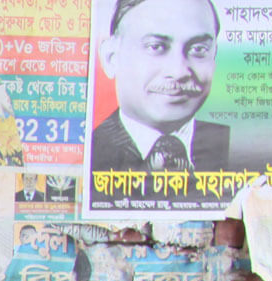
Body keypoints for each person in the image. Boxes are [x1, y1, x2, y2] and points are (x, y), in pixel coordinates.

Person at [90, 0, 226, 171]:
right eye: (155, 47)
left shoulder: (242, 148)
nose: (178, 72)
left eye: (198, 49)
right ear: (111, 58)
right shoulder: (88, 147)